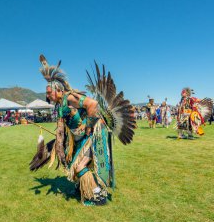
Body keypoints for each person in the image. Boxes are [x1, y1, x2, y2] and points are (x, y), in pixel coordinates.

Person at [29, 55, 136, 206]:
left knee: (80, 166)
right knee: (74, 164)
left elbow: (92, 104)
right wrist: (59, 146)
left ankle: (98, 195)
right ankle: (81, 188)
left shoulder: (70, 97)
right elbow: (61, 129)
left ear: (58, 90)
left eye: (48, 93)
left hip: (94, 134)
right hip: (81, 137)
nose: (47, 96)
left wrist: (88, 127)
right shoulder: (60, 105)